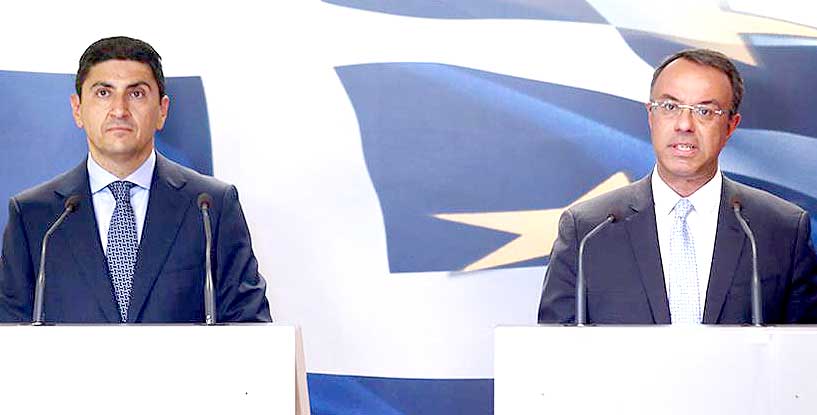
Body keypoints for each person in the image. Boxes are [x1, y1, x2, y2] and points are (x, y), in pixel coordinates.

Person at [0, 36, 271, 323]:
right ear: (77, 109)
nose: (119, 110)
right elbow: (8, 331)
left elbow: (250, 325)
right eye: (103, 93)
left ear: (162, 110)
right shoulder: (35, 216)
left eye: (137, 94)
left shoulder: (211, 207)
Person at [538, 48, 817, 324]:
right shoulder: (588, 230)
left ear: (731, 126)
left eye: (705, 111)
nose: (684, 125)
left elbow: (804, 347)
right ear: (651, 115)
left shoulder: (782, 230)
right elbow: (553, 344)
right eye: (670, 107)